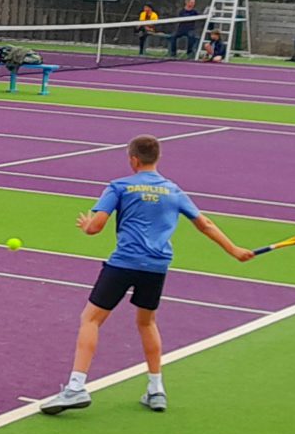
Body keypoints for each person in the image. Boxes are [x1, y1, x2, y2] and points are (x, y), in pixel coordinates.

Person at [40, 135, 253, 415]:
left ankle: (76, 387)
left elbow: (96, 227)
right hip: (156, 267)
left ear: (133, 159)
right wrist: (234, 250)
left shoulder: (119, 186)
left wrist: (87, 225)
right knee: (147, 322)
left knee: (90, 319)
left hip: (124, 263)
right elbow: (205, 224)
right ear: (157, 158)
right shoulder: (174, 190)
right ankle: (156, 389)